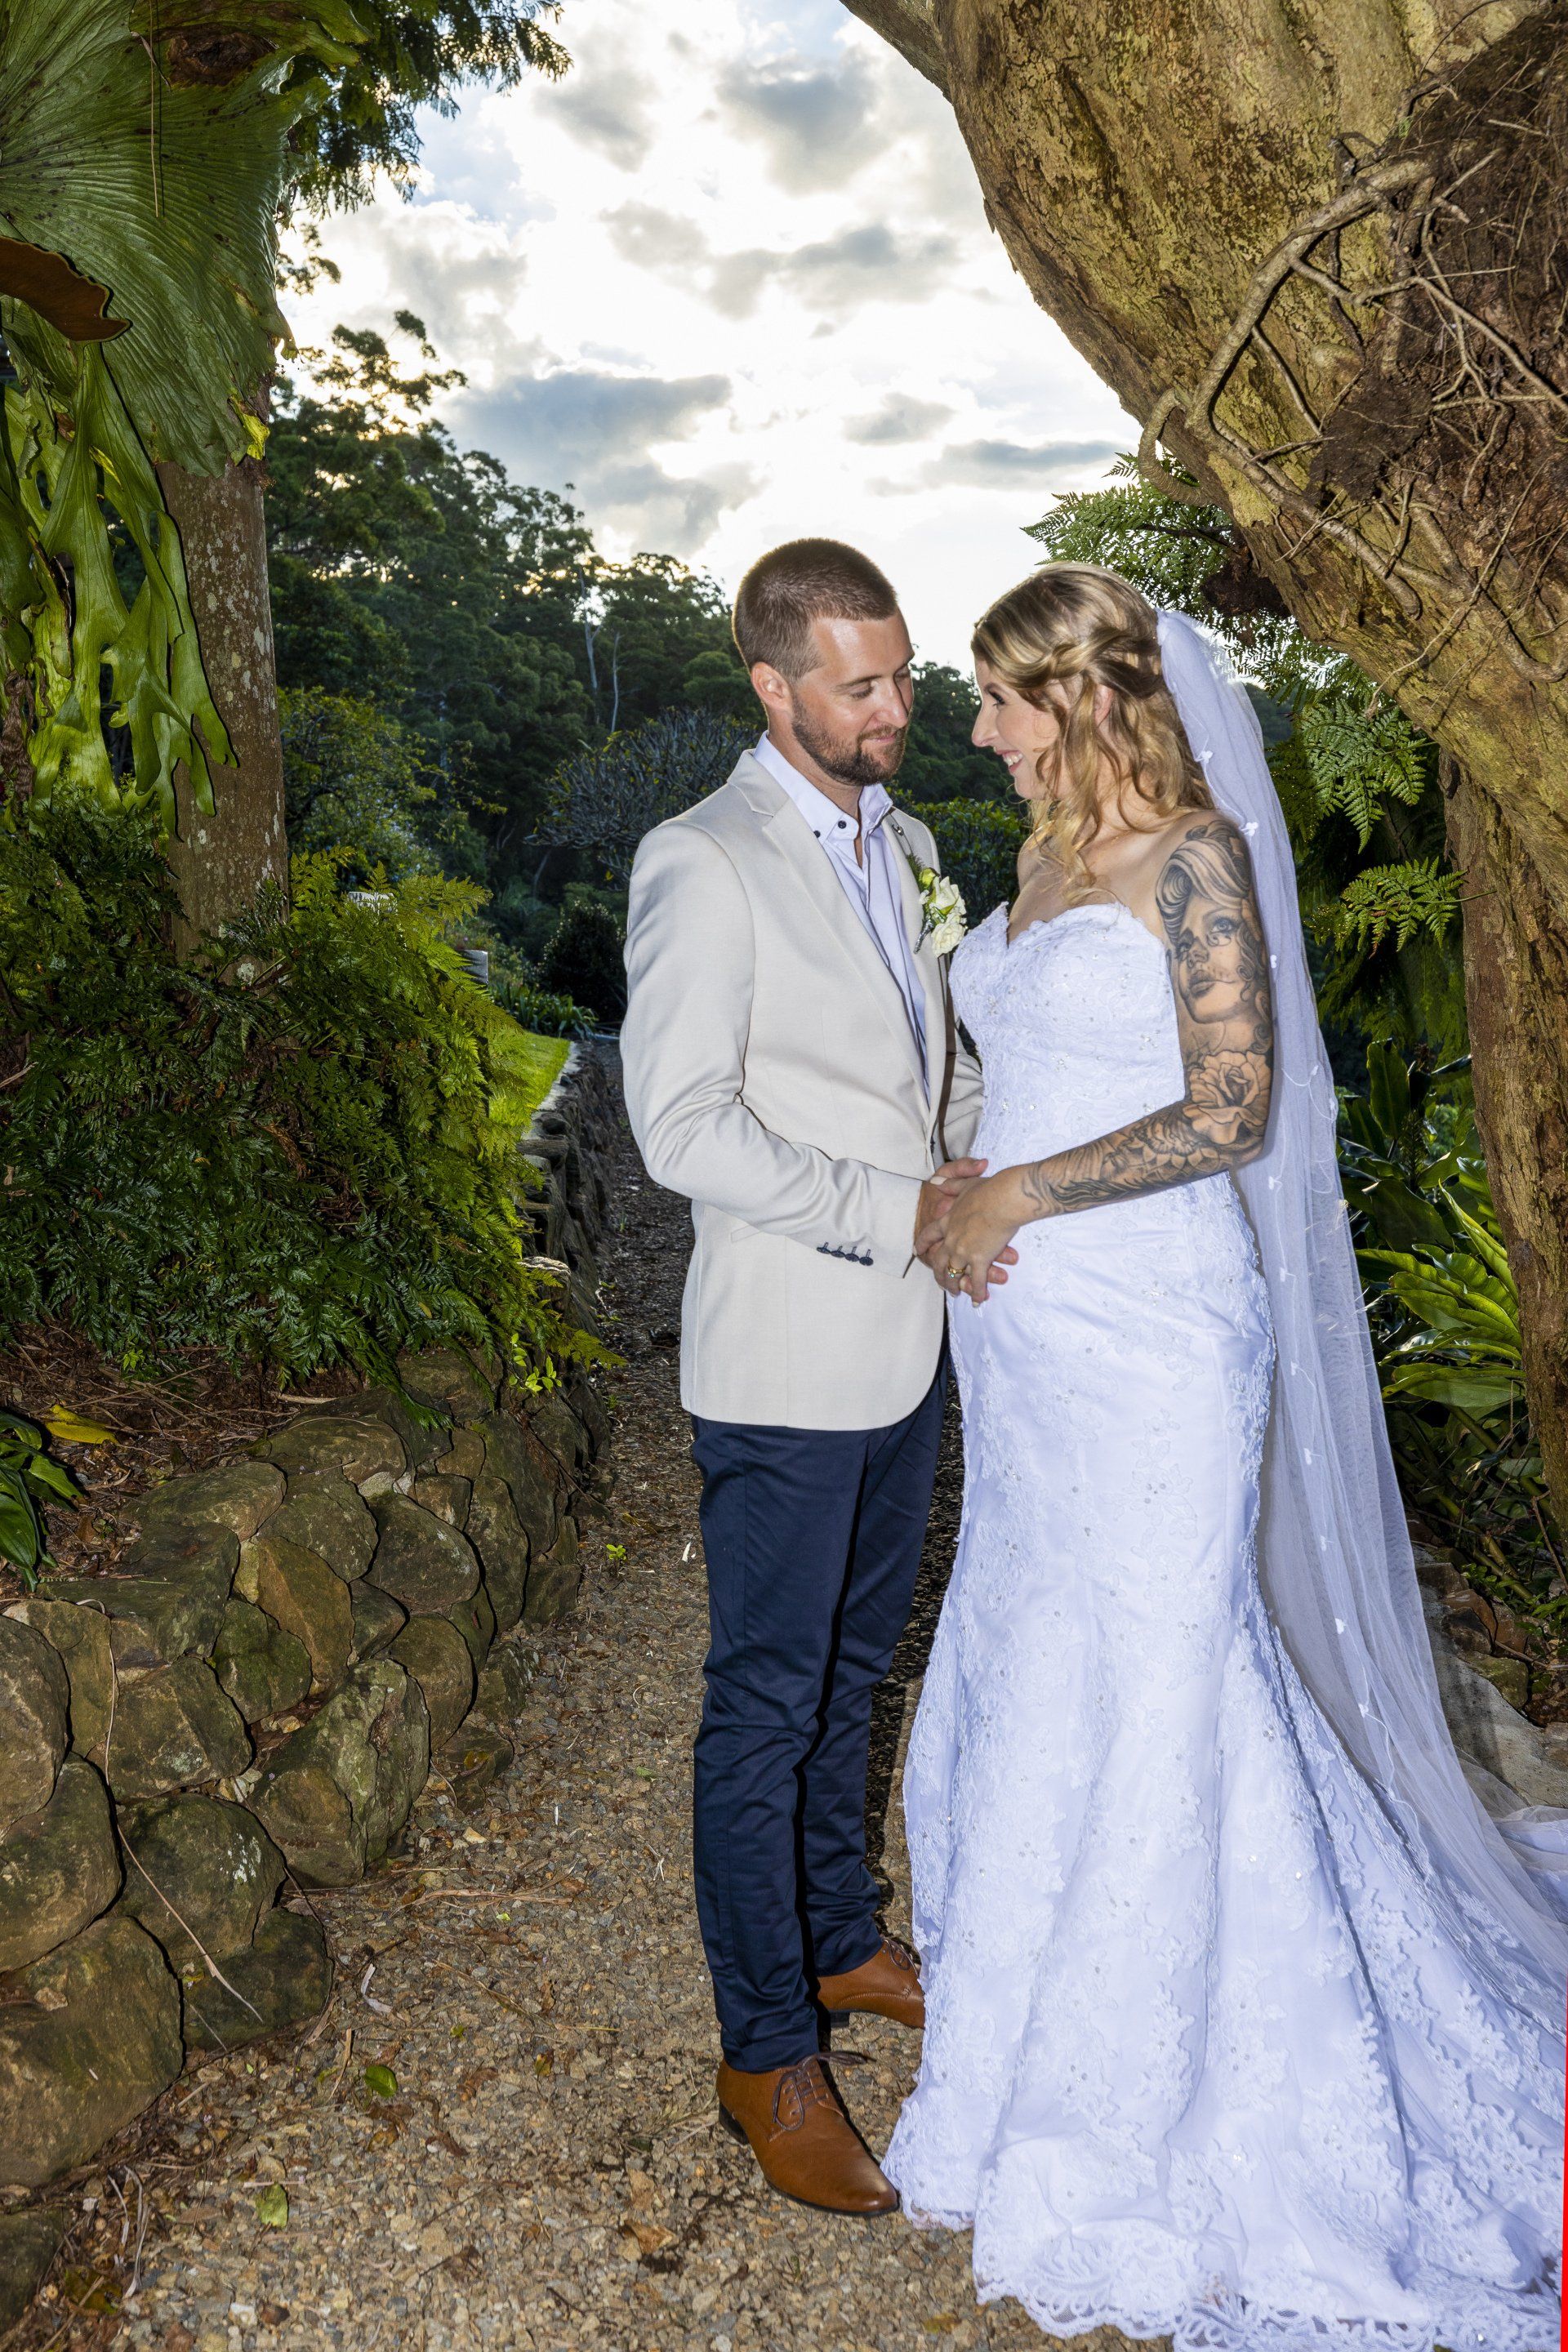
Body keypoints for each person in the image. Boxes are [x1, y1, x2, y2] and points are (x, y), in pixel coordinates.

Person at [895, 561, 1566, 2349]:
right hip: (1028, 1347)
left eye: (1000, 698)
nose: (978, 727)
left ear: (1088, 696)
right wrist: (967, 1181)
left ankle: (1183, 2105)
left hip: (1164, 1341)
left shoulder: (1193, 858)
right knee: (1040, 1645)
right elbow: (1012, 1070)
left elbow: (1232, 1109)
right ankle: (1028, 2034)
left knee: (1171, 1670)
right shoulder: (1033, 863)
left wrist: (1020, 1190)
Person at [620, 538, 996, 2215]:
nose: (900, 709)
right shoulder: (700, 862)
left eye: (903, 675)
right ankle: (765, 2056)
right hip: (781, 1358)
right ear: (773, 688)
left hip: (904, 1353)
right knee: (764, 1712)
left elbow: (931, 1076)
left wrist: (980, 1184)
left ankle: (841, 1939)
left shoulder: (907, 842)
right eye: (864, 684)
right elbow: (681, 1125)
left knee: (857, 1674)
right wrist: (897, 1213)